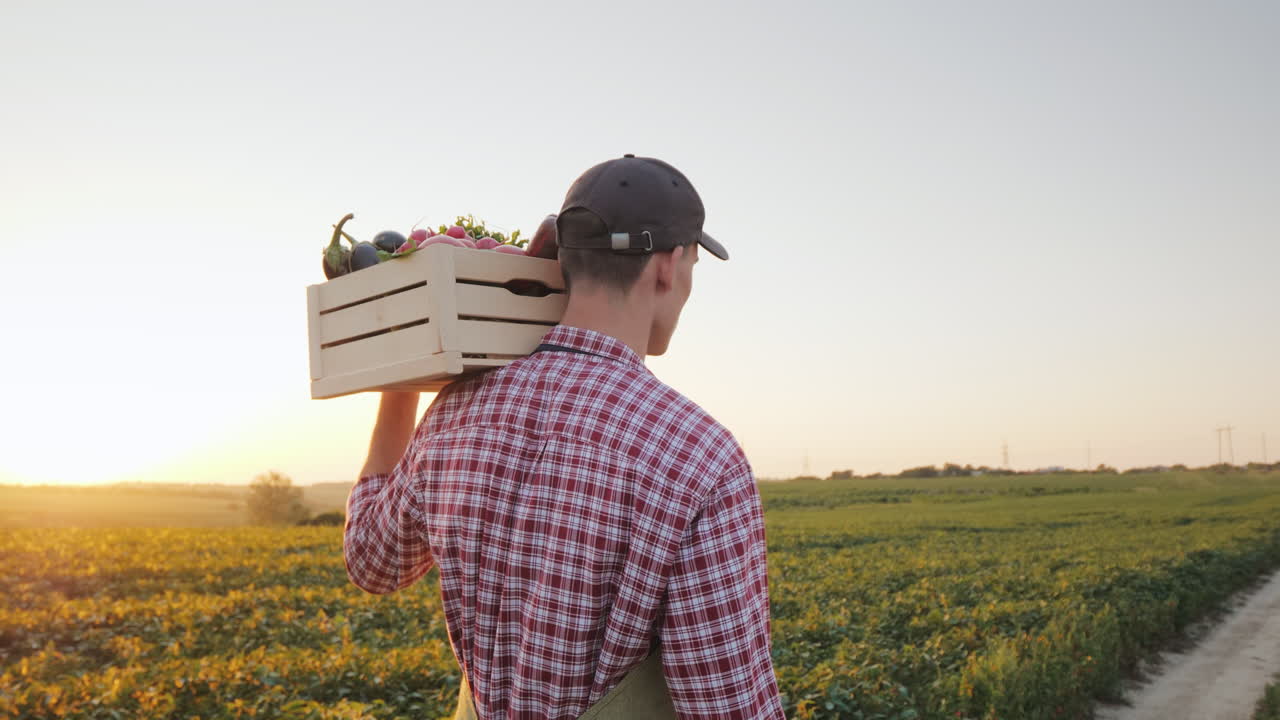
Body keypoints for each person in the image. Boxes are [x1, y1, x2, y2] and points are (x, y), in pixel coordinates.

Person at [343, 154, 786, 719]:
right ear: (668, 267)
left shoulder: (454, 415)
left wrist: (402, 374)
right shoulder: (701, 458)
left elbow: (372, 563)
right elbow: (728, 708)